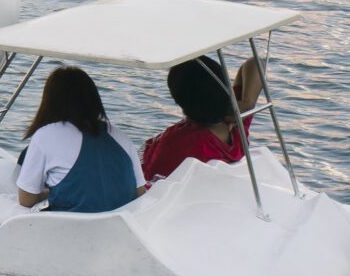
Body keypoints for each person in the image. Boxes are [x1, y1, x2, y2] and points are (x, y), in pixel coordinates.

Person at [15, 66, 137, 213]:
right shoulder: (122, 137)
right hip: (118, 227)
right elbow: (139, 191)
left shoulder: (45, 135)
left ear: (50, 102)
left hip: (69, 229)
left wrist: (49, 193)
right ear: (94, 99)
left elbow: (26, 199)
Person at [141, 56, 264, 187]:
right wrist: (248, 103)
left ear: (180, 101)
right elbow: (255, 62)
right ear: (224, 90)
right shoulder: (235, 130)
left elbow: (150, 183)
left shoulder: (177, 143)